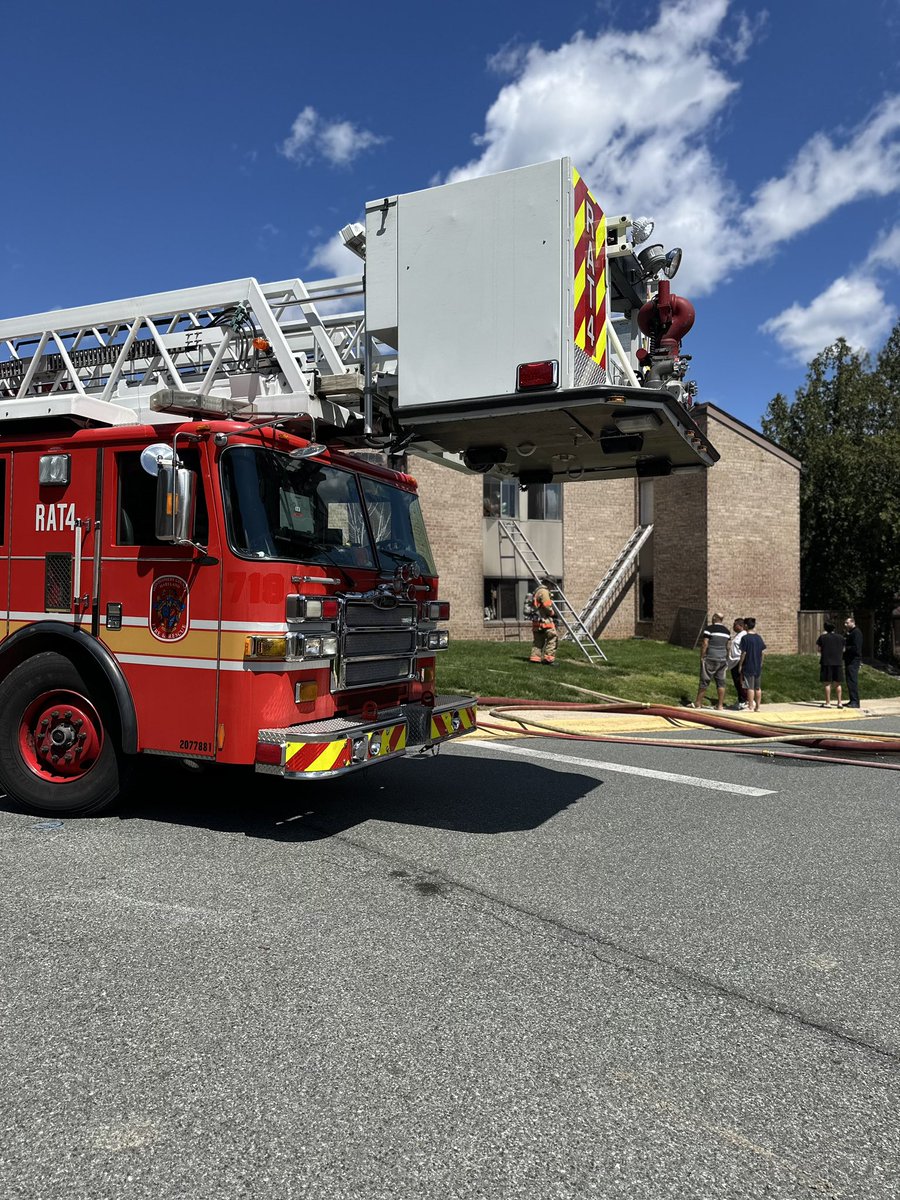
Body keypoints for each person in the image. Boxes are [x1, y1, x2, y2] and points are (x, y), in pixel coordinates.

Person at [693, 609, 730, 709]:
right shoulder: (727, 631)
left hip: (710, 657)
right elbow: (727, 646)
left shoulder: (709, 629)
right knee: (721, 682)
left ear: (715, 618)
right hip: (722, 658)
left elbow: (705, 643)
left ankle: (698, 703)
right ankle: (720, 705)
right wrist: (726, 657)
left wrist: (702, 656)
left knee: (705, 680)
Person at [738, 618, 766, 712]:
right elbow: (762, 652)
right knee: (757, 687)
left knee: (750, 687)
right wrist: (761, 663)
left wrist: (740, 665)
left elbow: (744, 653)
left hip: (748, 665)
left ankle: (750, 706)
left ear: (746, 626)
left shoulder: (745, 638)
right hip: (757, 666)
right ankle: (757, 707)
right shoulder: (758, 637)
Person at [529, 576, 558, 666]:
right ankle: (548, 659)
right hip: (545, 620)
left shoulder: (537, 591)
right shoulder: (544, 592)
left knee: (538, 640)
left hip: (537, 620)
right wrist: (553, 613)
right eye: (552, 585)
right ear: (548, 583)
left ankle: (535, 658)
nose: (553, 588)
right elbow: (547, 606)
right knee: (552, 637)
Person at [815, 621, 844, 707]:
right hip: (838, 662)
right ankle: (839, 702)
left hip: (826, 662)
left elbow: (819, 649)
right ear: (834, 628)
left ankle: (828, 703)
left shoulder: (822, 637)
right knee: (838, 683)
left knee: (827, 683)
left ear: (825, 628)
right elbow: (843, 649)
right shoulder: (841, 637)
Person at [726, 618, 747, 709]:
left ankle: (744, 700)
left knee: (740, 682)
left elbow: (744, 651)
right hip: (733, 662)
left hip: (739, 661)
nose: (733, 627)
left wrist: (741, 664)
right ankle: (740, 699)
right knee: (736, 682)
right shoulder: (738, 635)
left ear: (740, 626)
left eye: (735, 625)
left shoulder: (744, 635)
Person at [843, 615, 863, 708]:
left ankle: (855, 701)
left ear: (852, 623)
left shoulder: (856, 633)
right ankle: (852, 700)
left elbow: (856, 648)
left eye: (847, 622)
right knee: (849, 680)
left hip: (853, 660)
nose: (845, 624)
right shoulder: (850, 633)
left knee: (852, 680)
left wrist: (845, 649)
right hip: (849, 659)